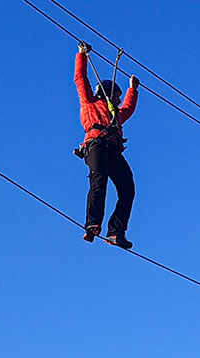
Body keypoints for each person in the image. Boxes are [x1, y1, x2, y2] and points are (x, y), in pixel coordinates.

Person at [74, 42, 139, 248]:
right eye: (117, 96)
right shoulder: (90, 103)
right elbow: (80, 79)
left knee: (127, 188)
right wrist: (81, 55)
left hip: (113, 150)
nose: (119, 100)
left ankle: (116, 231)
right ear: (107, 93)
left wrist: (132, 90)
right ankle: (92, 223)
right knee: (98, 180)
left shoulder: (116, 115)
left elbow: (128, 109)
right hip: (97, 146)